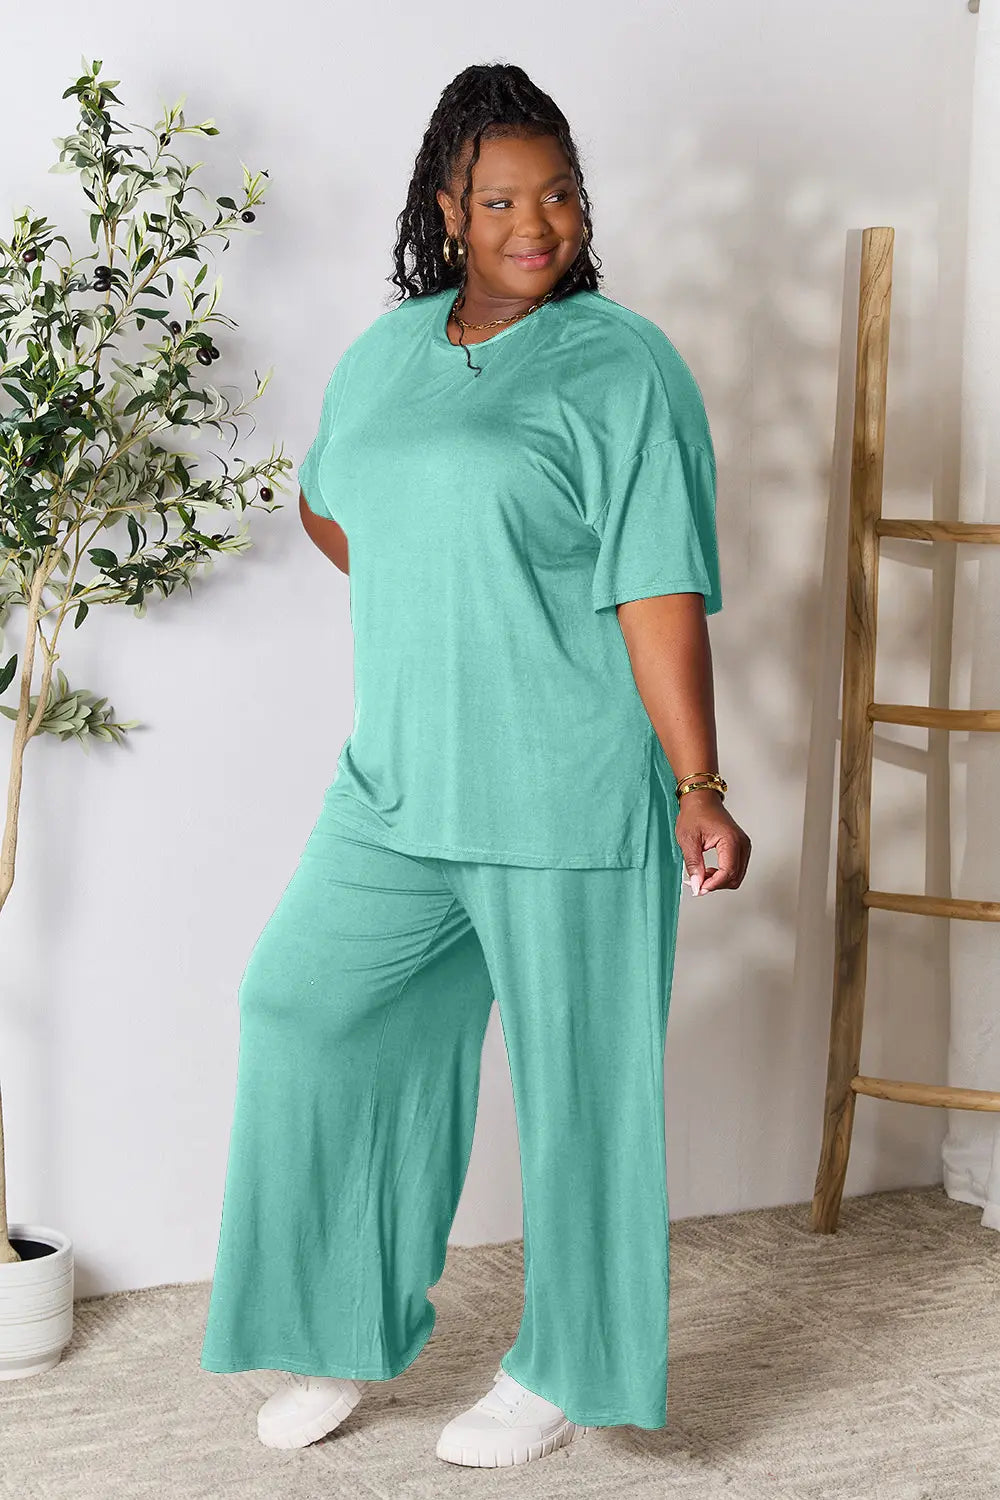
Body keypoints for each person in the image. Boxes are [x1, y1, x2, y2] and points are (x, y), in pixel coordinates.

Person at [199, 61, 751, 1469]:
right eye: (500, 199)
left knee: (581, 1096)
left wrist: (697, 781)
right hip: (397, 785)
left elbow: (658, 582)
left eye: (558, 194)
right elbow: (336, 508)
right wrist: (449, 586)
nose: (536, 223)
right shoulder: (387, 352)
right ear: (446, 209)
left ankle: (562, 1369)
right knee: (306, 1010)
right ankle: (340, 1326)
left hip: (566, 788)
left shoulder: (622, 365)